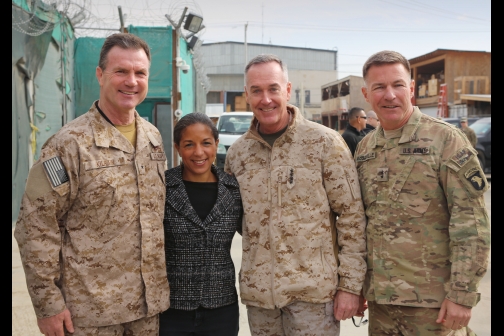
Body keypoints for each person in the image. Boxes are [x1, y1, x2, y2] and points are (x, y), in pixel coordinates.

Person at [14, 33, 170, 336]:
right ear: (100, 75)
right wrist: (47, 304)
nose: (132, 81)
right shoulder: (67, 145)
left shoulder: (152, 138)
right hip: (90, 315)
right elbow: (35, 226)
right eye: (121, 71)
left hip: (147, 311)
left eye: (140, 73)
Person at [224, 54, 367, 336]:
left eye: (273, 88)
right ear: (247, 96)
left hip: (313, 297)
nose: (266, 99)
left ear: (287, 90)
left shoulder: (325, 143)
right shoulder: (238, 154)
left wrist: (350, 286)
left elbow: (351, 217)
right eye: (257, 90)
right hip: (261, 300)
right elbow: (240, 222)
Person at [354, 50, 490, 335]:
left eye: (398, 84)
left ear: (411, 88)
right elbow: (360, 223)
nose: (389, 95)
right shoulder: (365, 149)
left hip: (433, 306)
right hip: (381, 303)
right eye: (379, 87)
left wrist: (461, 295)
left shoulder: (446, 140)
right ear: (367, 94)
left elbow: (472, 226)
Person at [159, 112, 243, 336]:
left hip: (221, 308)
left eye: (206, 143)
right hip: (172, 308)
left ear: (216, 144)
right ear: (177, 147)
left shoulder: (234, 190)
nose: (199, 152)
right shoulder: (162, 188)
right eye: (189, 144)